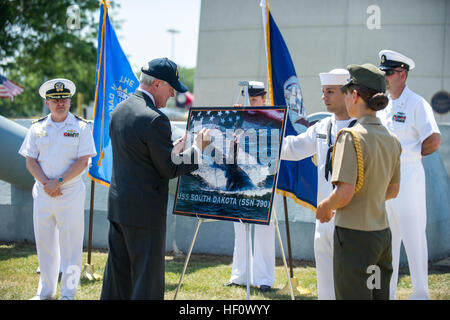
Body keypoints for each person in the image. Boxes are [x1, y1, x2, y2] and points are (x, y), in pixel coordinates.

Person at [100, 57, 208, 300]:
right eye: (171, 88)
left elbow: (138, 156)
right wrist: (198, 149)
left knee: (118, 278)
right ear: (157, 84)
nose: (172, 95)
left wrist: (170, 149)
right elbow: (168, 169)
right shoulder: (156, 119)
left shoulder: (119, 110)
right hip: (145, 213)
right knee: (146, 282)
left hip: (119, 208)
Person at [316, 63, 402, 300]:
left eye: (345, 93)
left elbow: (344, 194)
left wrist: (325, 206)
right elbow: (392, 190)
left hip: (354, 238)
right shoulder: (392, 139)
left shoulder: (350, 137)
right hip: (381, 236)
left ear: (354, 95)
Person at [280, 68, 356, 299]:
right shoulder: (323, 126)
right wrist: (259, 140)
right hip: (324, 217)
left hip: (354, 220)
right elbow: (293, 148)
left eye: (330, 92)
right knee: (325, 282)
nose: (324, 97)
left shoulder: (363, 128)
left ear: (348, 94)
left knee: (352, 284)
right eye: (323, 92)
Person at [19, 78, 97, 300]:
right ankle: (45, 292)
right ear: (47, 103)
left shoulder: (81, 127)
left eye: (64, 99)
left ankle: (68, 294)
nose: (60, 103)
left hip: (70, 193)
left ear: (70, 101)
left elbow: (83, 161)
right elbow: (30, 161)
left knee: (71, 247)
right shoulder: (37, 127)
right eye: (55, 100)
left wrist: (58, 182)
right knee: (45, 245)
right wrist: (47, 183)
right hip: (43, 192)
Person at [377, 50, 442, 300]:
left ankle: (420, 293)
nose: (386, 77)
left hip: (408, 176)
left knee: (414, 236)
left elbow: (434, 139)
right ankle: (389, 293)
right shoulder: (384, 104)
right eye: (384, 72)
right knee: (388, 240)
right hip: (386, 178)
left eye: (390, 73)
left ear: (402, 74)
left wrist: (414, 155)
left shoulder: (417, 103)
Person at [224, 81, 275, 292]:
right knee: (240, 227)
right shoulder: (239, 120)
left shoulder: (270, 120)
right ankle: (240, 275)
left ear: (263, 100)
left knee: (264, 230)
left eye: (254, 100)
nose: (251, 104)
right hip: (242, 179)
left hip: (265, 179)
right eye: (248, 100)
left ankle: (264, 278)